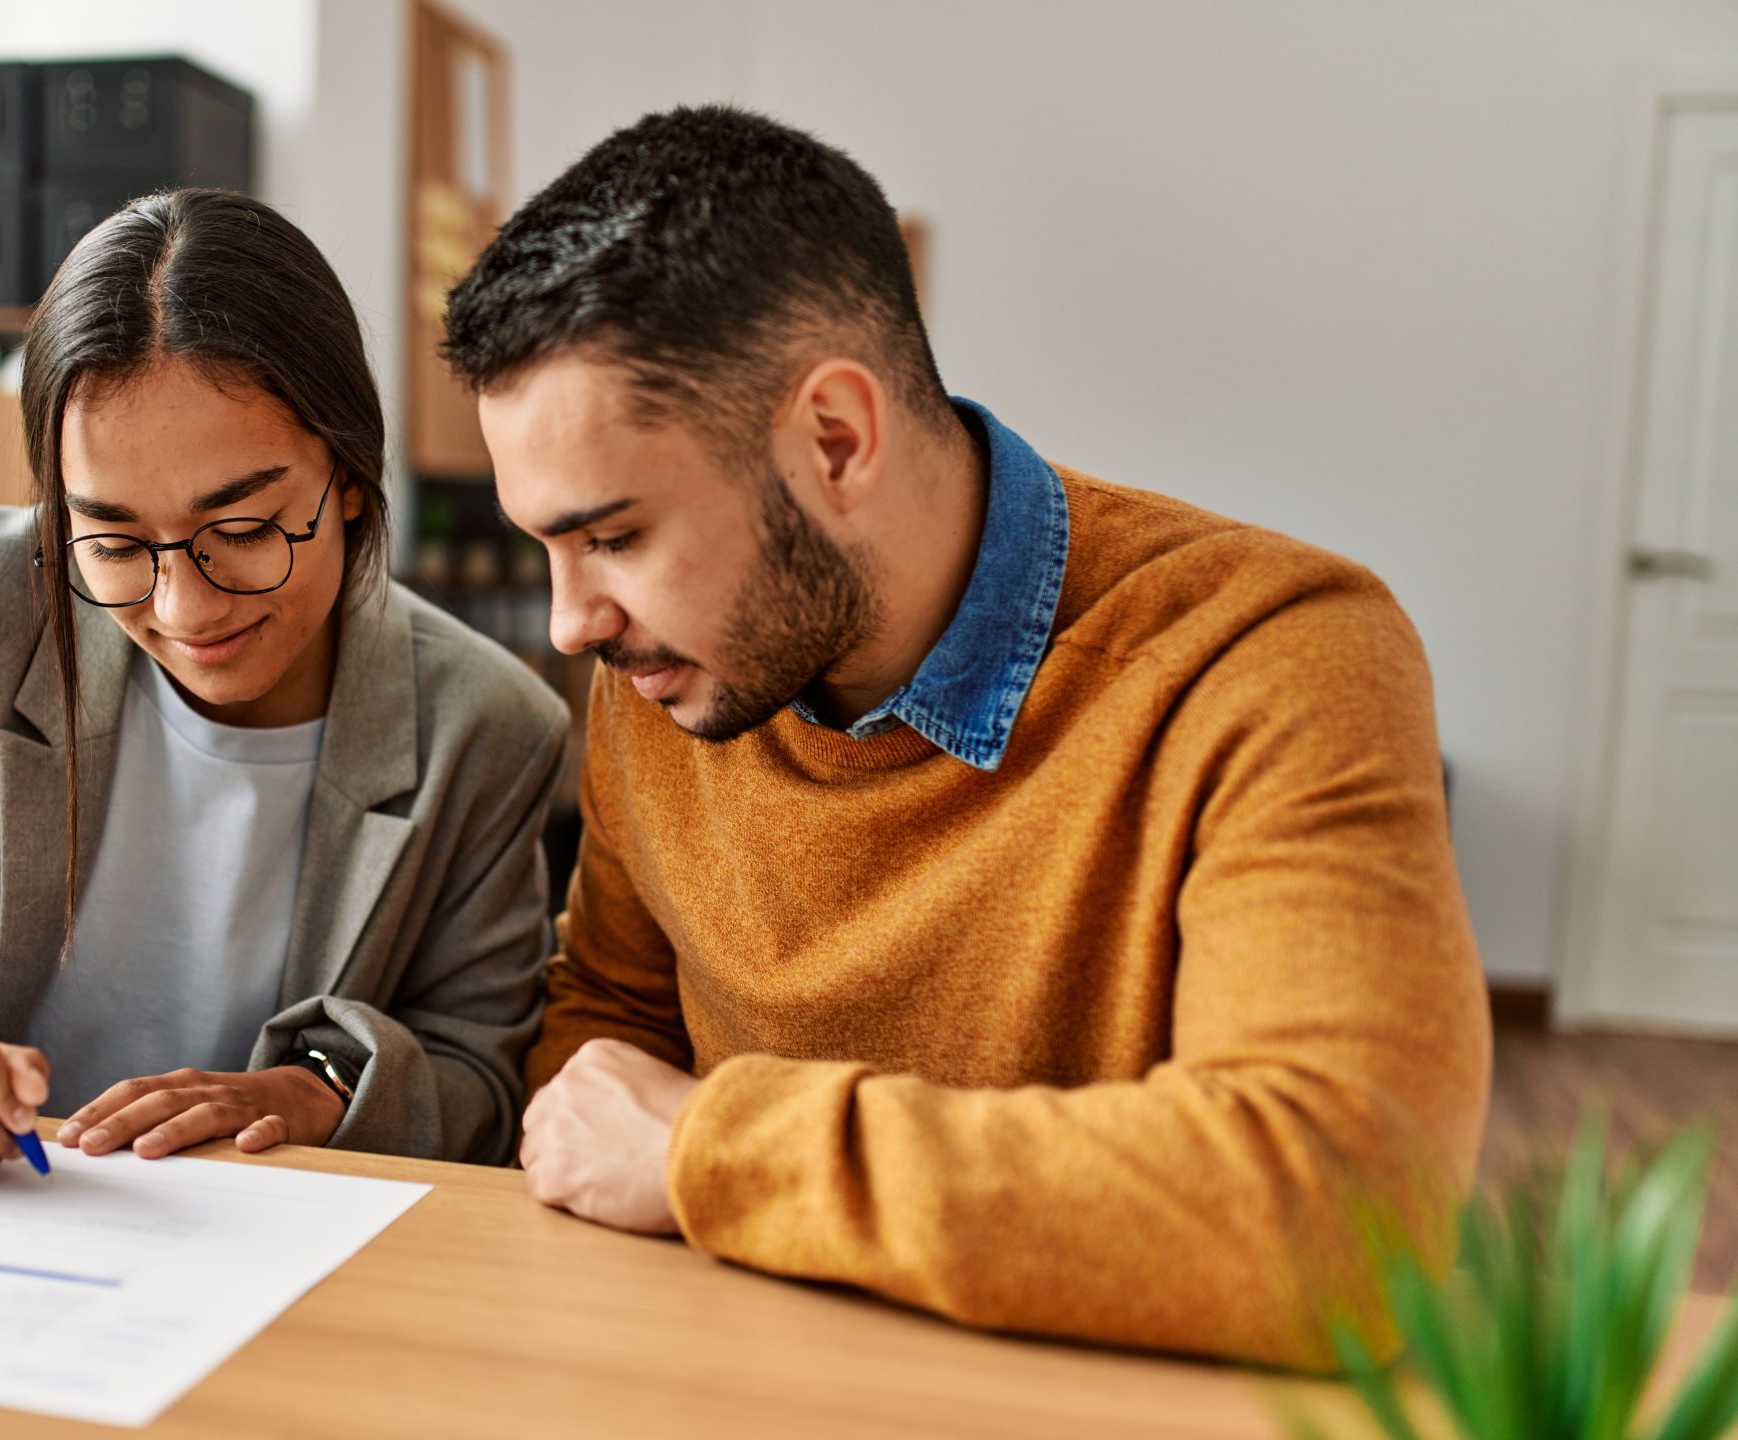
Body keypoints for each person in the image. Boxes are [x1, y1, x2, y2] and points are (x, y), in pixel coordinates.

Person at [440, 106, 1489, 1368]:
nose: (568, 624)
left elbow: (1346, 1210)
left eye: (612, 537)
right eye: (544, 546)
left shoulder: (1271, 655)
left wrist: (710, 1156)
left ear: (835, 440)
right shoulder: (666, 672)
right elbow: (611, 1026)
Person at [0, 189, 567, 1183]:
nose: (183, 607)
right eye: (116, 541)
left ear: (349, 476)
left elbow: (481, 1070)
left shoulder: (486, 725)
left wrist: (312, 1090)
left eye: (245, 531)